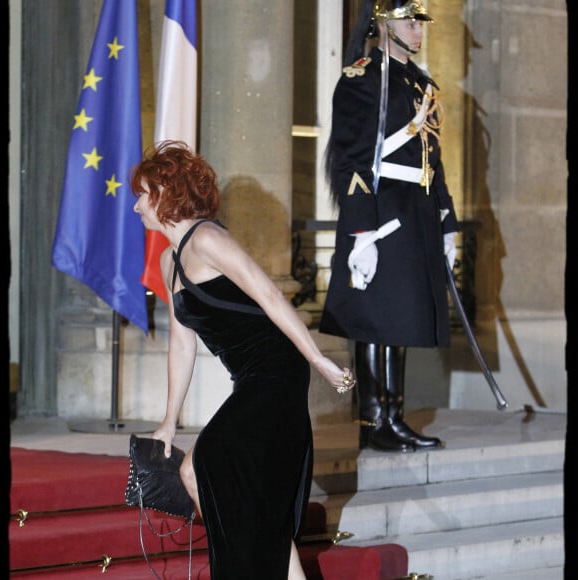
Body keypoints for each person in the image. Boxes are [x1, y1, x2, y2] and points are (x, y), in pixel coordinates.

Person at [131, 140, 355, 580]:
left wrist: (318, 360)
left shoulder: (209, 239)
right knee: (238, 495)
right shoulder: (166, 259)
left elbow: (270, 296)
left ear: (164, 193)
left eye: (142, 194)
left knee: (203, 464)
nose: (136, 206)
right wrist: (169, 420)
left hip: (277, 371)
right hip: (250, 379)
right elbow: (182, 344)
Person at [319, 0, 460, 453]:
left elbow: (432, 161)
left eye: (421, 22)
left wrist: (447, 221)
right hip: (380, 213)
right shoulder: (362, 78)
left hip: (415, 209)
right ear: (383, 23)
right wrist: (361, 233)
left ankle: (393, 415)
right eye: (409, 21)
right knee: (378, 318)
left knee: (400, 318)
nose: (419, 31)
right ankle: (375, 419)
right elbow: (351, 160)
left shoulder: (421, 84)